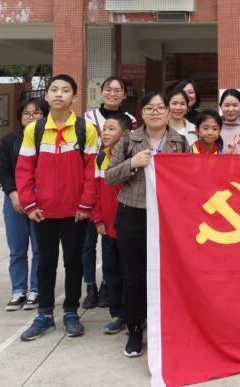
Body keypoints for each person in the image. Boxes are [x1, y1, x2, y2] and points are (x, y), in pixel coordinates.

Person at [106, 90, 191, 357]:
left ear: (168, 112)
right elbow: (109, 176)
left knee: (167, 274)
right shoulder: (128, 141)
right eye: (149, 108)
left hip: (168, 218)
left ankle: (165, 328)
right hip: (133, 214)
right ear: (142, 113)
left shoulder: (180, 142)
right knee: (133, 276)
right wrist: (132, 163)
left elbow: (190, 179)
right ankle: (134, 330)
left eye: (160, 108)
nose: (155, 112)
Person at [17, 74, 99, 341]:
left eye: (65, 90)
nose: (59, 94)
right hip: (44, 212)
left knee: (74, 263)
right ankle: (44, 314)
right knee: (45, 263)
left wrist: (86, 204)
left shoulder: (86, 129)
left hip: (76, 212)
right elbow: (24, 170)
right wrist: (30, 204)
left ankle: (71, 312)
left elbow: (92, 170)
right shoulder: (35, 130)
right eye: (54, 89)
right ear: (47, 95)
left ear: (74, 97)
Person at [82, 76, 135, 310]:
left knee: (113, 247)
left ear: (124, 94)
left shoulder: (130, 120)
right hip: (94, 179)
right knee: (88, 242)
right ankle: (90, 286)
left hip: (116, 185)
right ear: (101, 92)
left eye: (118, 90)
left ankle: (108, 287)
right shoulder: (87, 118)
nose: (113, 93)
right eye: (108, 89)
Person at [0, 97, 47, 312]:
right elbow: (3, 171)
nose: (31, 117)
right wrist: (13, 194)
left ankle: (36, 289)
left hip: (42, 201)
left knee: (40, 249)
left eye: (36, 113)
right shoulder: (10, 141)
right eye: (27, 113)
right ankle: (18, 290)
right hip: (15, 201)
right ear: (20, 117)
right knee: (17, 249)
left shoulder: (50, 140)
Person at [91, 113, 132, 334]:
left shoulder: (133, 157)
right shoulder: (100, 158)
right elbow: (96, 192)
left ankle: (134, 313)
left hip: (130, 226)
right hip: (108, 227)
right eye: (104, 129)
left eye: (111, 129)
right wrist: (97, 218)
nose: (105, 133)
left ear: (126, 134)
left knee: (130, 272)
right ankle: (117, 314)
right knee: (111, 271)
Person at [219, 88, 240, 153]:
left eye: (235, 105)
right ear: (221, 106)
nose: (230, 109)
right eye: (227, 105)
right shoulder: (215, 128)